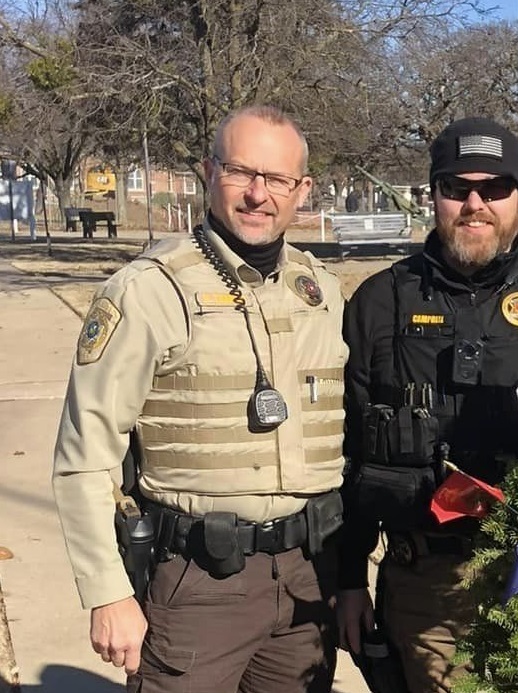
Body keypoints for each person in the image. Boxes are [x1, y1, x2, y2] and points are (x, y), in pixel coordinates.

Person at [50, 104, 348, 692]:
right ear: (209, 171)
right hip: (198, 585)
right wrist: (108, 592)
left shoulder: (322, 292)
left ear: (302, 190)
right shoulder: (149, 291)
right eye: (241, 171)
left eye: (278, 179)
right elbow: (84, 454)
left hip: (309, 577)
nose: (258, 194)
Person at [335, 117, 518, 691]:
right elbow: (346, 452)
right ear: (434, 196)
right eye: (456, 188)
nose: (475, 204)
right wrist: (348, 578)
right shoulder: (379, 302)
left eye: (495, 188)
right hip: (424, 582)